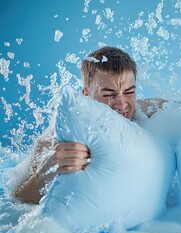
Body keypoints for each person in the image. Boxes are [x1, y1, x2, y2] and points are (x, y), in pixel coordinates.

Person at [14, 46, 165, 204]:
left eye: (129, 92)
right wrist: (46, 171)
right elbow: (16, 200)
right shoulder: (56, 138)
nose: (122, 104)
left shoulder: (141, 111)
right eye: (108, 94)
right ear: (87, 96)